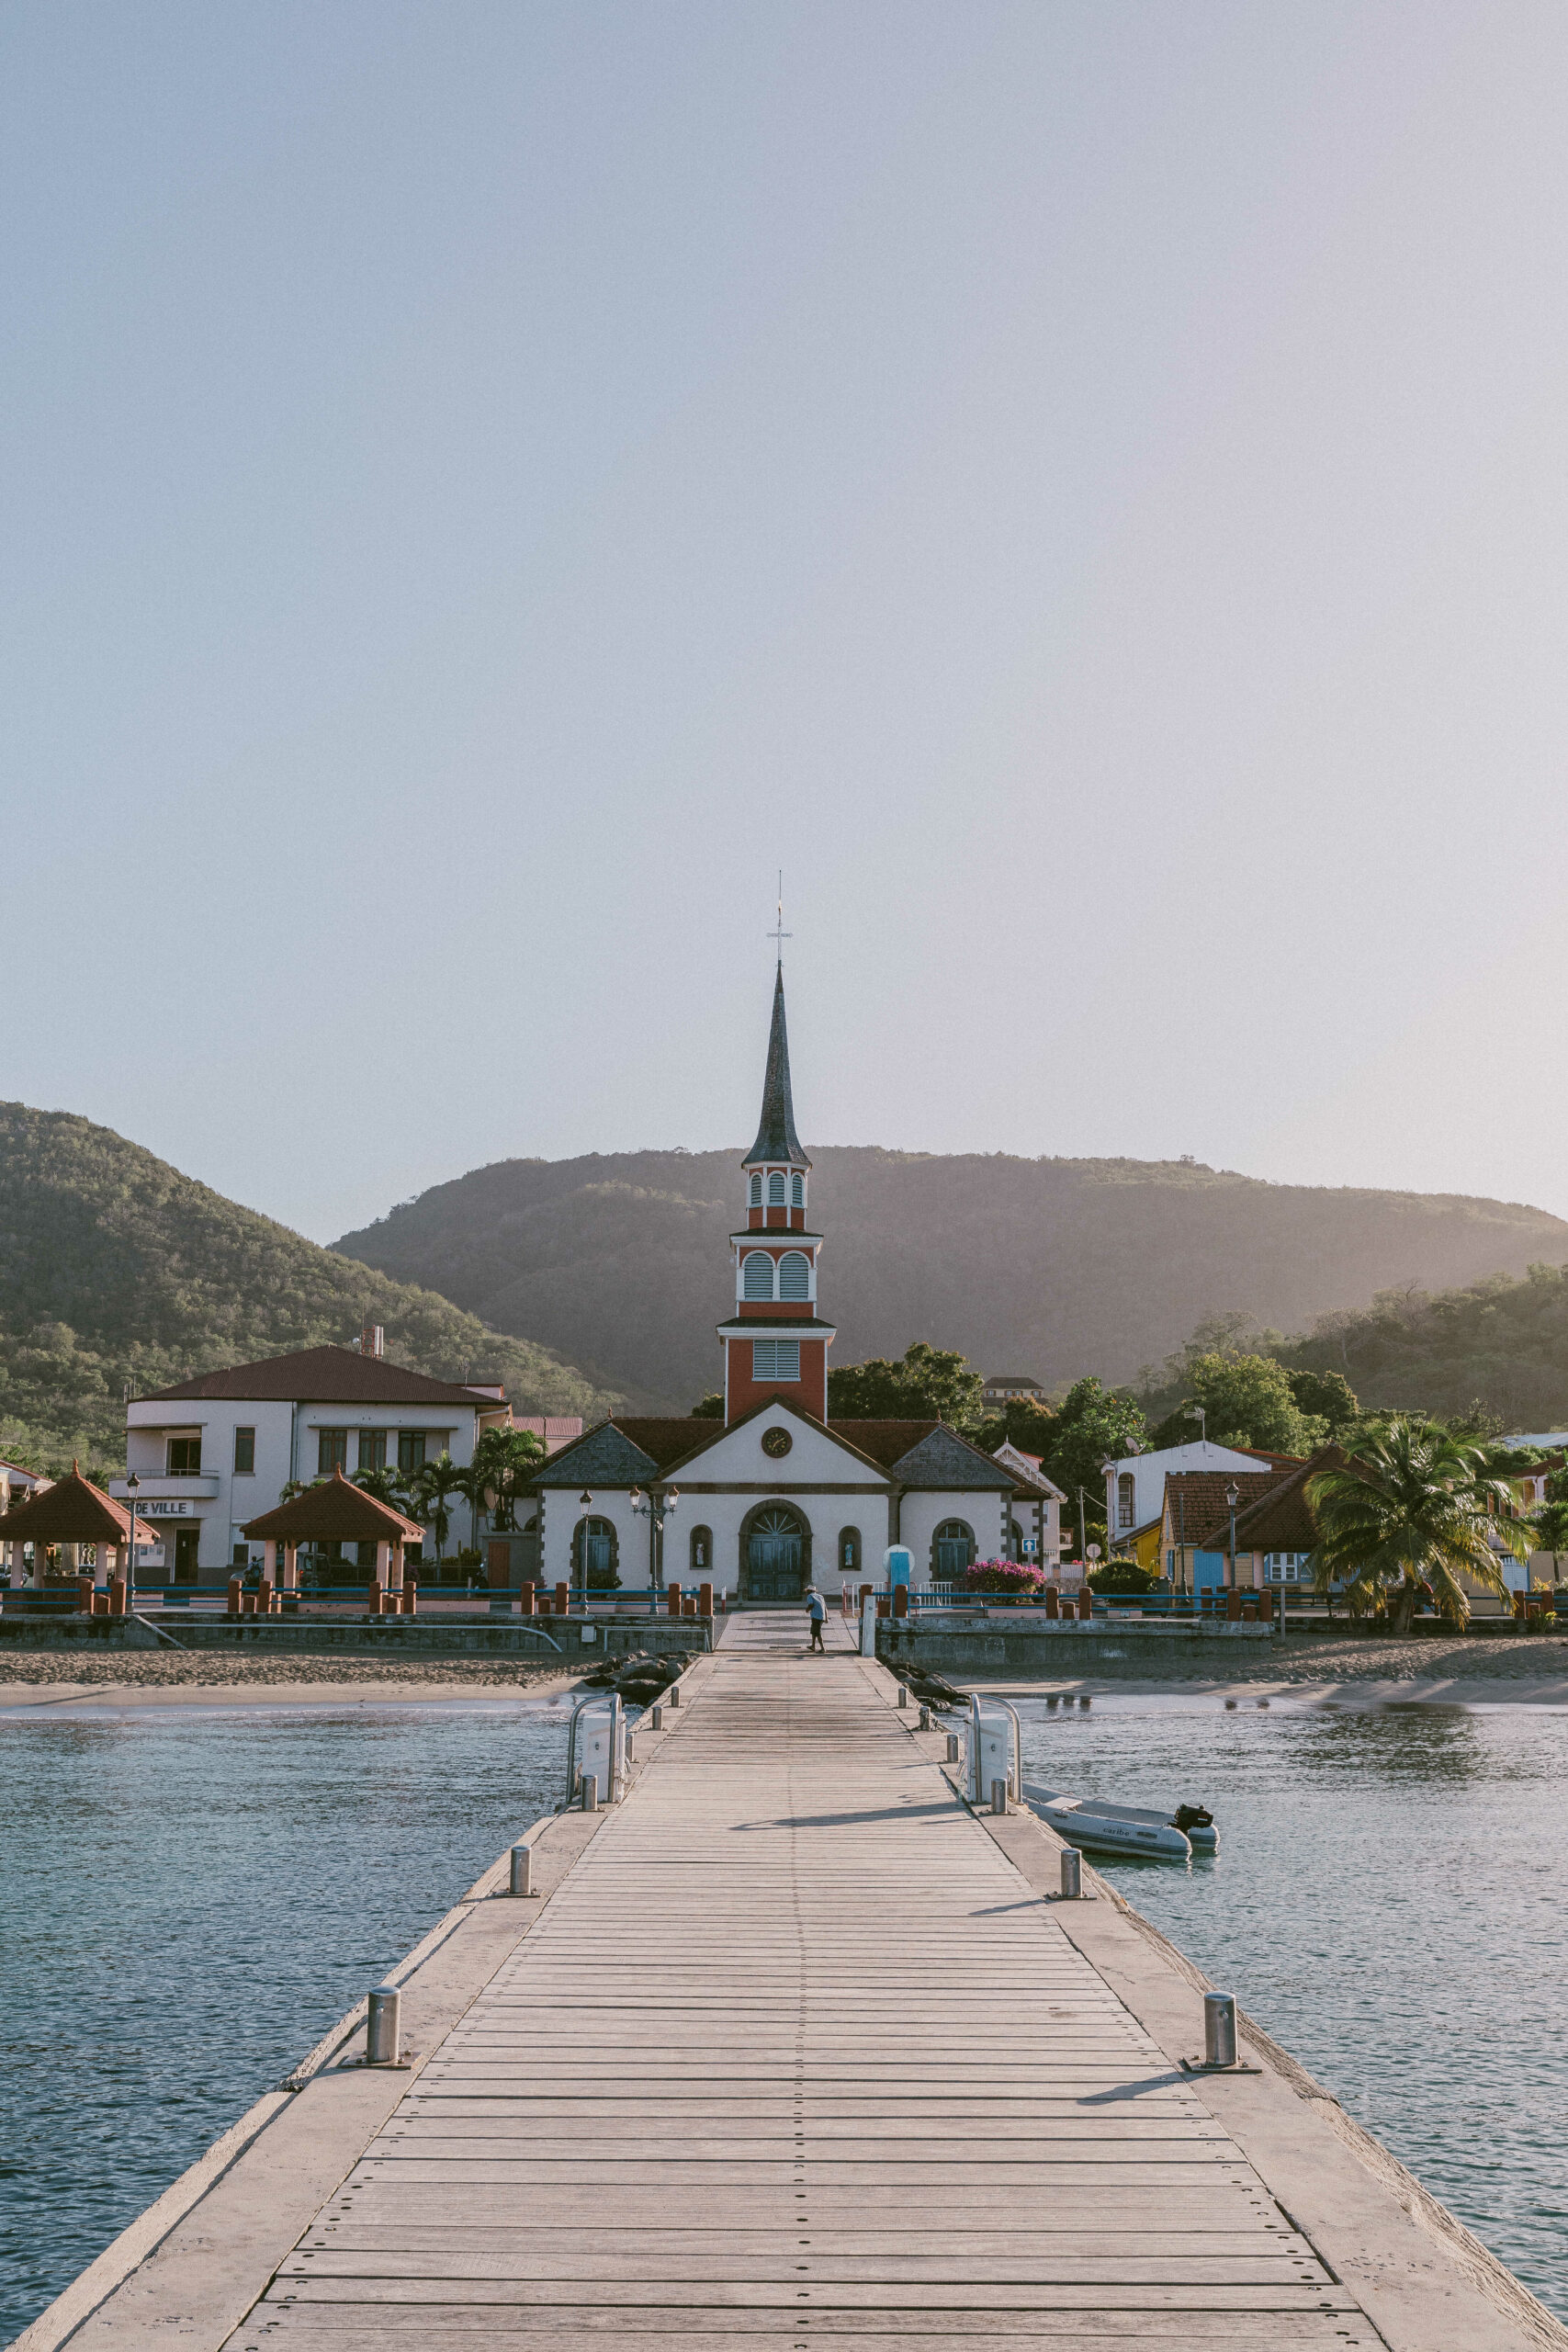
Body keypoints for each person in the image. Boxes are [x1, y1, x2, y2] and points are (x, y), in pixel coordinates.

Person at [806, 1584, 826, 1651]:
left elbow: (811, 1604)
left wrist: (807, 1610)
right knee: (814, 1631)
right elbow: (825, 1607)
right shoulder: (820, 1596)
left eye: (807, 1591)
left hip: (816, 1616)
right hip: (822, 1616)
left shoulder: (810, 1596)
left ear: (809, 1591)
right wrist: (826, 1617)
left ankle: (823, 1648)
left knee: (818, 1632)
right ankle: (813, 1646)